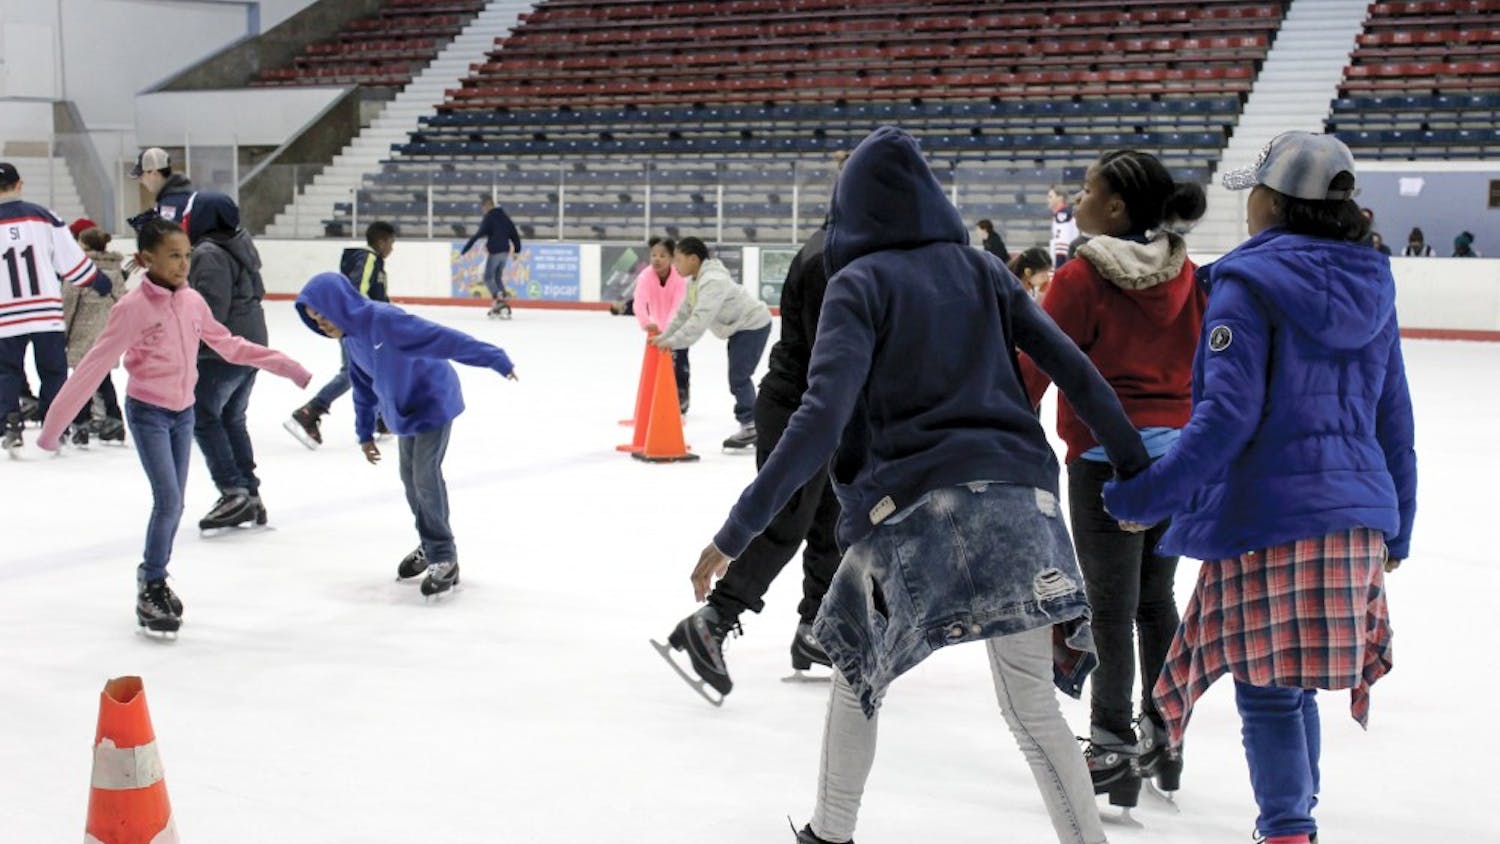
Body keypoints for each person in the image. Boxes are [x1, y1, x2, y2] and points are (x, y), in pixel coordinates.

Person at [693, 127, 1150, 844]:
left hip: (912, 512)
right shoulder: (987, 272)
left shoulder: (858, 282)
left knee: (857, 674)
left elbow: (819, 417)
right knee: (1032, 711)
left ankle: (831, 833)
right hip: (1024, 506)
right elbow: (1077, 373)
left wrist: (736, 529)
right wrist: (1135, 468)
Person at [1102, 131, 1415, 844]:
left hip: (1274, 515)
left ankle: (1286, 831)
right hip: (1357, 515)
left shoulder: (1247, 285)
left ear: (1272, 201)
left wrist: (1145, 499)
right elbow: (1394, 414)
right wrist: (1400, 525)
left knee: (1268, 689)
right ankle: (1293, 827)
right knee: (1291, 682)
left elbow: (1224, 420)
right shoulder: (1374, 281)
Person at [1020, 149, 1208, 810]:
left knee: (1109, 602)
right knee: (1155, 598)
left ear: (1118, 207)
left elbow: (1041, 361)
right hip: (1177, 458)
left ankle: (1110, 742)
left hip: (1106, 459)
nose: (1080, 197)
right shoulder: (1187, 274)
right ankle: (1166, 737)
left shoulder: (1082, 276)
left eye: (1089, 188)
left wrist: (1005, 417)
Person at [37, 219, 311, 634]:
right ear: (148, 260)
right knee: (168, 501)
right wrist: (52, 428)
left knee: (175, 502)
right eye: (173, 256)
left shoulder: (192, 302)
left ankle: (154, 577)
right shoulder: (132, 308)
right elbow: (94, 366)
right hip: (148, 412)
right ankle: (152, 582)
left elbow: (229, 344)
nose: (183, 265)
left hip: (183, 412)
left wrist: (285, 365)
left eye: (187, 255)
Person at [659, 223, 839, 701]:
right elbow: (833, 357)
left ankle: (816, 629)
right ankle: (714, 618)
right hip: (804, 406)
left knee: (830, 521)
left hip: (824, 408)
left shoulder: (842, 248)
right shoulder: (829, 258)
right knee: (787, 519)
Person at [294, 271, 518, 597]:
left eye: (323, 315)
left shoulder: (384, 320)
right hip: (404, 412)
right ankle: (430, 543)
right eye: (314, 320)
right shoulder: (351, 338)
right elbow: (362, 386)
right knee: (410, 478)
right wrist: (364, 433)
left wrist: (494, 357)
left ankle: (444, 555)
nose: (321, 324)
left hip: (433, 400)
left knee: (425, 474)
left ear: (338, 304)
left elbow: (444, 339)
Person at [0, 162, 113, 453]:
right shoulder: (44, 217)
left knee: (6, 370)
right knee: (53, 371)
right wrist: (99, 281)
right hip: (45, 312)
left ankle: (10, 422)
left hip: (5, 314)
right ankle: (56, 424)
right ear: (20, 184)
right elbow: (71, 261)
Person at [185, 193, 279, 532]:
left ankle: (233, 490)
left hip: (224, 349)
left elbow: (210, 309)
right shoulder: (240, 244)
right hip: (251, 343)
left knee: (203, 415)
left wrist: (188, 343)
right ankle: (250, 493)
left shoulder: (208, 253)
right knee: (231, 417)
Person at [651, 236, 772, 450]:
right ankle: (755, 421)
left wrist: (672, 342)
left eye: (678, 260)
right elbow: (683, 314)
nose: (674, 265)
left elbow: (699, 321)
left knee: (739, 377)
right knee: (738, 376)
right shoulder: (695, 281)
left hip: (752, 325)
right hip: (738, 328)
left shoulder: (713, 282)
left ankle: (751, 425)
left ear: (694, 260)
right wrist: (664, 336)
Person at [286, 221, 396, 448]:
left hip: (357, 325)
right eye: (391, 243)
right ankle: (310, 411)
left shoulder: (368, 260)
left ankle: (380, 419)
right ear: (382, 241)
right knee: (353, 373)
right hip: (357, 326)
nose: (392, 249)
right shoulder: (369, 259)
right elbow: (358, 292)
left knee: (370, 371)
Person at [62, 221, 128, 446]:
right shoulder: (116, 272)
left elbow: (68, 306)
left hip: (82, 333)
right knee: (103, 378)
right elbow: (123, 303)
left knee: (81, 381)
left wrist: (63, 333)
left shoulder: (79, 271)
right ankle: (114, 418)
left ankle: (81, 421)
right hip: (107, 335)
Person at [631, 236, 690, 414]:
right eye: (653, 255)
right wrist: (646, 322)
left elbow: (678, 306)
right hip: (656, 329)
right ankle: (659, 398)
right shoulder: (645, 277)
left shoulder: (680, 277)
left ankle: (682, 396)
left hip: (679, 327)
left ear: (672, 258)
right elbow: (639, 302)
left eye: (662, 255)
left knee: (679, 362)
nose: (657, 259)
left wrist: (669, 331)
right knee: (660, 364)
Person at [129, 147, 232, 243]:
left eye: (141, 176)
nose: (140, 181)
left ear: (154, 173)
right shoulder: (178, 199)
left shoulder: (170, 205)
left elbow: (171, 246)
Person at [461, 195, 522, 317]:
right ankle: (502, 300)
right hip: (505, 252)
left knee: (488, 277)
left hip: (495, 251)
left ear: (488, 205)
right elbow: (514, 234)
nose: (483, 210)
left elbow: (478, 234)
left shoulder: (489, 218)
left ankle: (498, 297)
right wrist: (516, 251)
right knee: (497, 277)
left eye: (483, 207)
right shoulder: (505, 217)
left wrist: (465, 249)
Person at [1049, 185, 1081, 269]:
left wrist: (1058, 267)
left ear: (1060, 198)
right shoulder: (1064, 214)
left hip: (1063, 261)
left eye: (1051, 197)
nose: (1048, 200)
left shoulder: (1063, 215)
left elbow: (1062, 244)